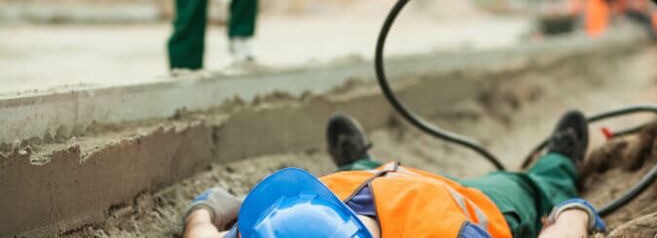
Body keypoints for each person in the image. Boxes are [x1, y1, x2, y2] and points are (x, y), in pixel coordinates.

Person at [182, 111, 606, 238]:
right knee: (529, 185)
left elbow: (206, 212)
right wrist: (572, 213)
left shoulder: (280, 222)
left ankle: (358, 160)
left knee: (355, 173)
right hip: (473, 204)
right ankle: (559, 161)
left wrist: (207, 211)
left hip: (363, 182)